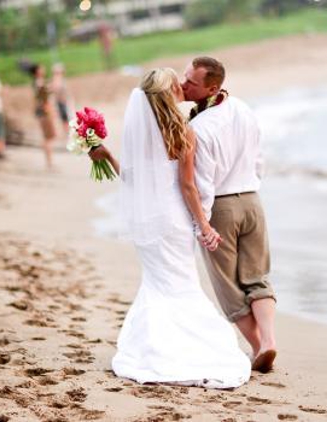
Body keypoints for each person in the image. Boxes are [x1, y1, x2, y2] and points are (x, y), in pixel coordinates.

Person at [89, 68, 251, 388]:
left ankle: (152, 348)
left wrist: (106, 153)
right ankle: (185, 349)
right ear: (170, 93)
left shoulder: (140, 134)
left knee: (158, 284)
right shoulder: (182, 130)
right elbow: (187, 186)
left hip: (148, 221)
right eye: (177, 84)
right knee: (182, 284)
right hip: (174, 221)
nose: (182, 87)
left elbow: (135, 183)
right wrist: (204, 225)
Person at [182, 57, 277, 373]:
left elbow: (203, 183)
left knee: (228, 287)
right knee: (256, 277)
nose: (184, 85)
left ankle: (257, 346)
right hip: (252, 200)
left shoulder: (198, 127)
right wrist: (250, 186)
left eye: (191, 82)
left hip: (221, 206)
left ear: (212, 87)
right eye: (185, 78)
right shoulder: (244, 109)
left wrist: (203, 225)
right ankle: (270, 342)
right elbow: (259, 158)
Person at [31, 64, 56, 168]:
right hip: (45, 112)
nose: (43, 69)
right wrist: (50, 110)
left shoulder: (37, 83)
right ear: (37, 71)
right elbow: (44, 98)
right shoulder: (40, 83)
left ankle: (49, 160)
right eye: (41, 68)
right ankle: (49, 161)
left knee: (48, 137)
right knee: (48, 137)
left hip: (42, 112)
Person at [51, 63, 72, 139]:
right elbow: (57, 90)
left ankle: (67, 133)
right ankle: (67, 134)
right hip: (62, 102)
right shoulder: (57, 79)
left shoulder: (59, 79)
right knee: (65, 119)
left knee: (66, 119)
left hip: (63, 101)